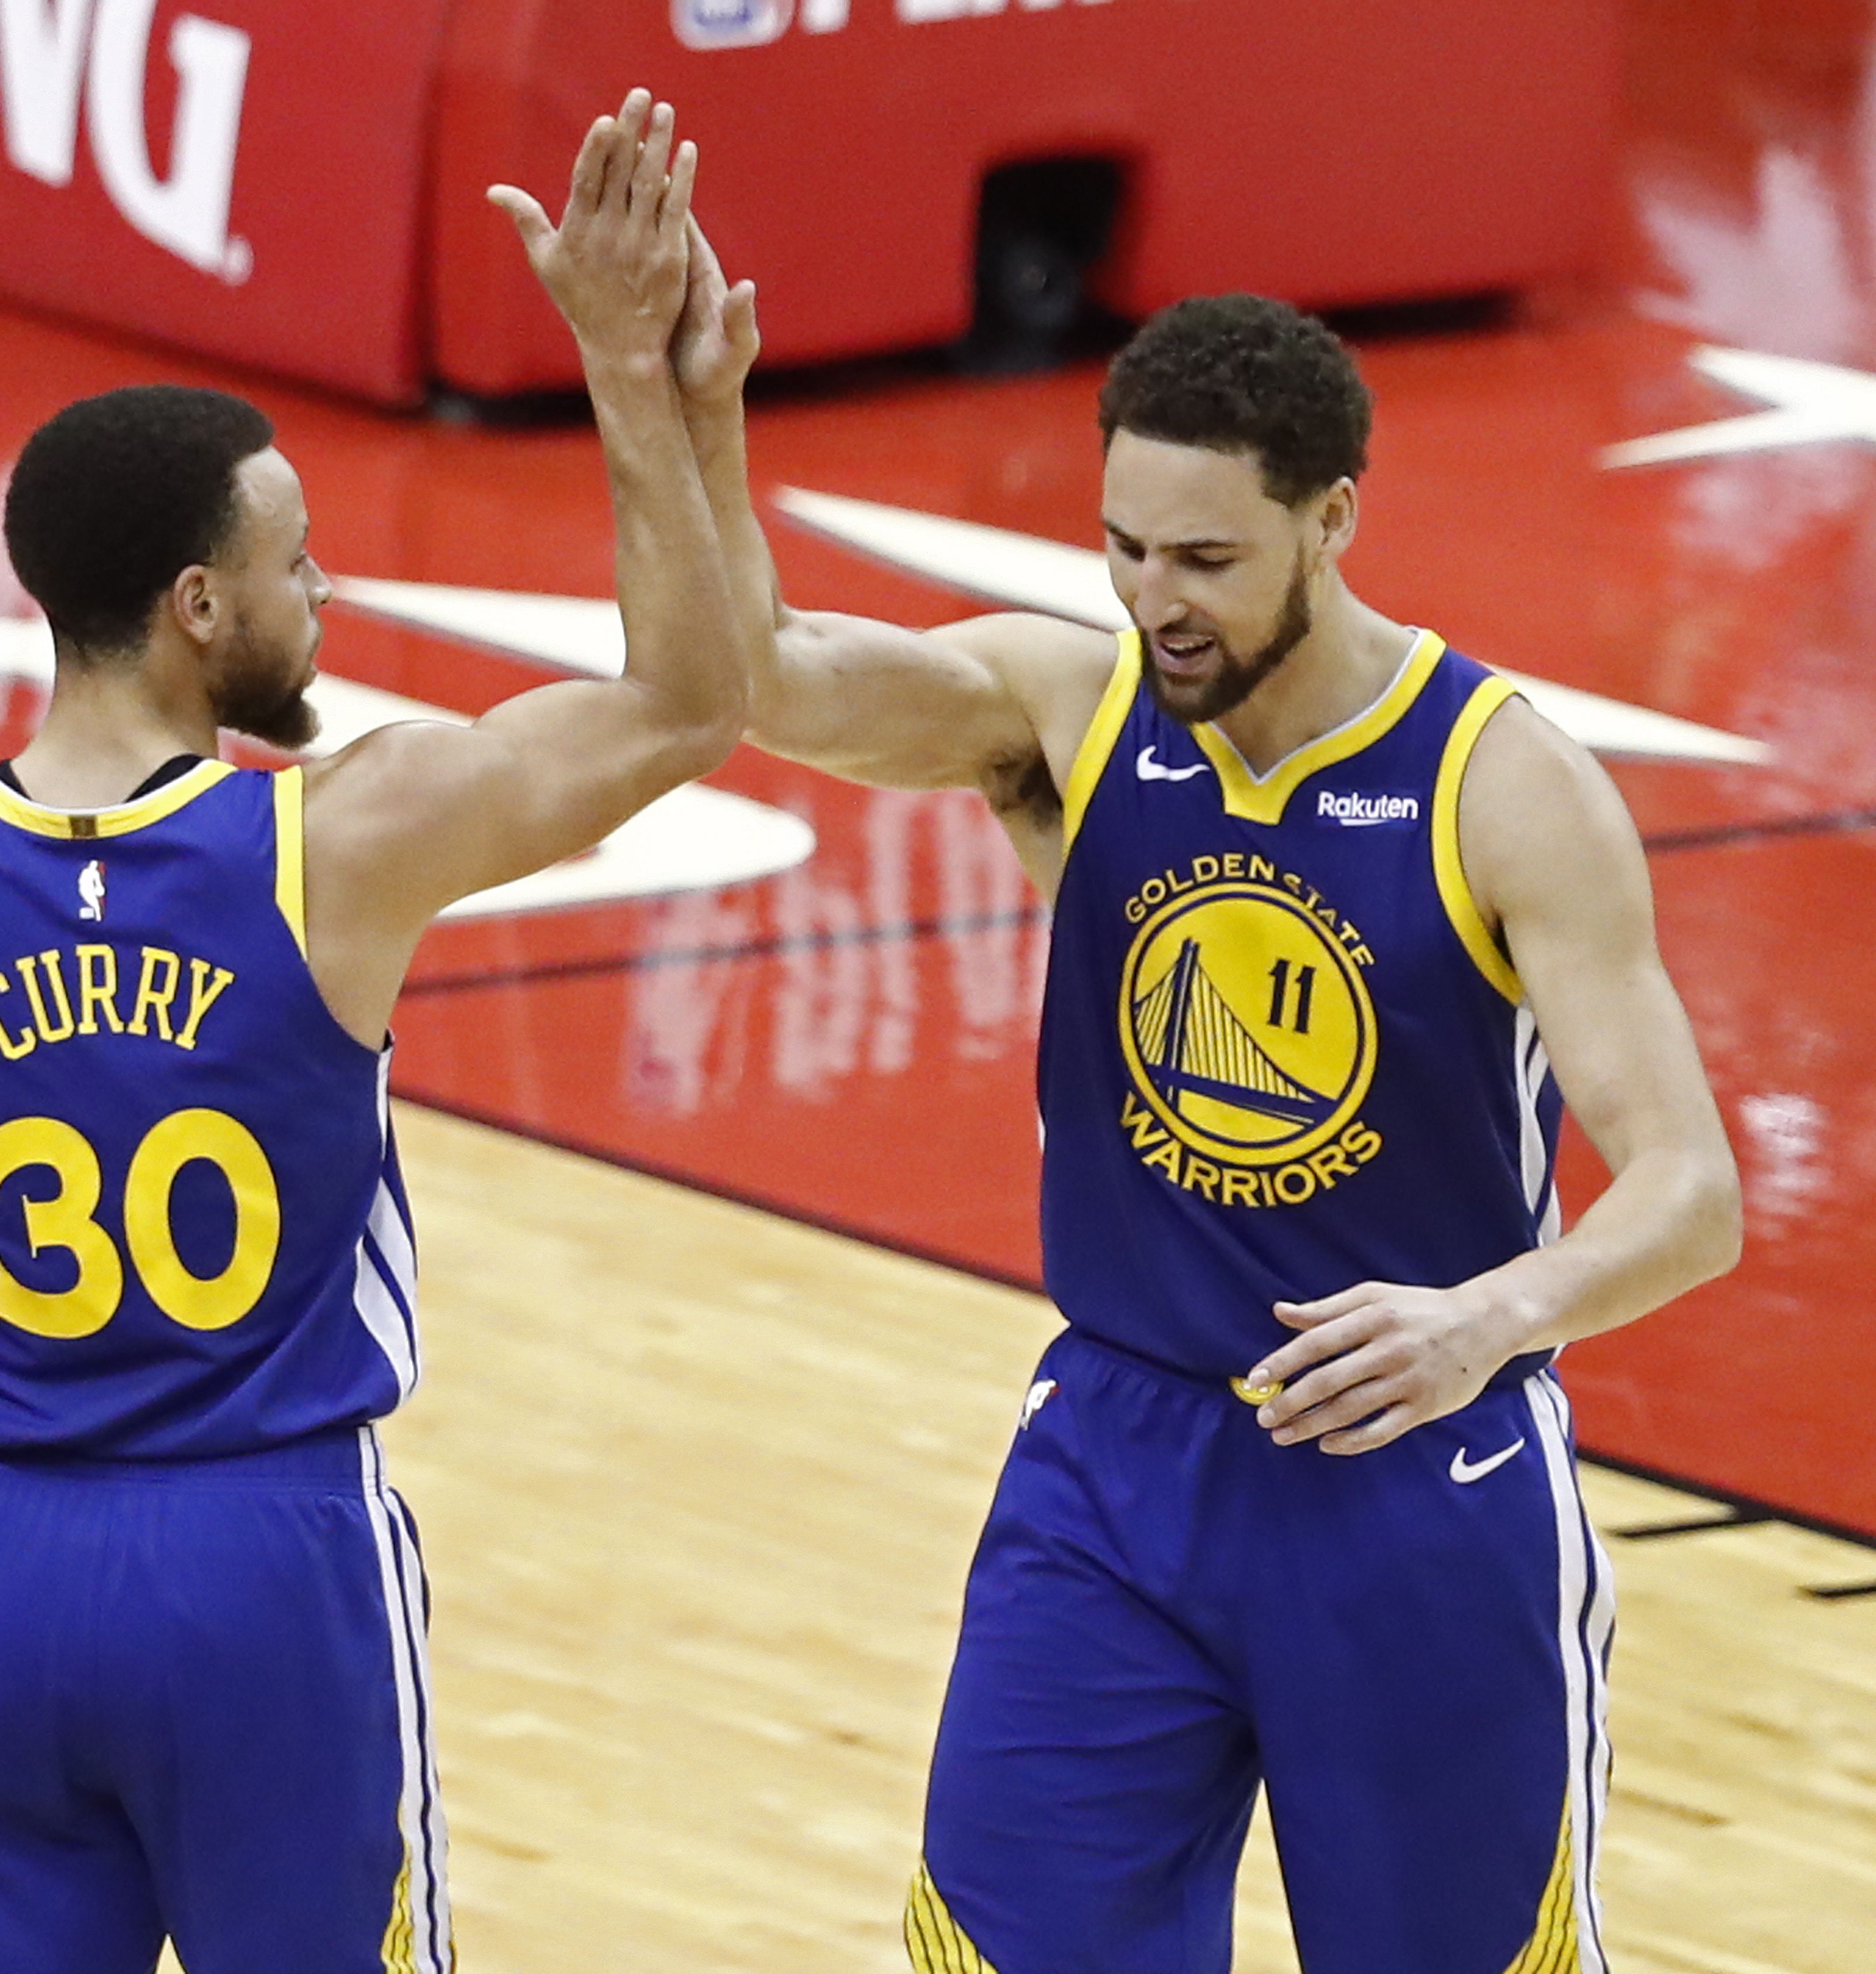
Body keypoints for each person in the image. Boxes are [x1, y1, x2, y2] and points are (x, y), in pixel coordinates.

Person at [0, 89, 742, 1974]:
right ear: (199, 607)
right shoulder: (341, 843)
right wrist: (638, 372)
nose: (327, 592)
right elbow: (690, 704)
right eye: (298, 565)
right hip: (270, 1556)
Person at [666, 254, 1742, 1973]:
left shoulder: (1506, 787)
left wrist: (1491, 1321)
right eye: (1128, 551)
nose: (1158, 601)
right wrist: (692, 416)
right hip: (1117, 1455)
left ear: (1334, 520)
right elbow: (765, 681)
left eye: (1210, 562)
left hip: (1413, 1484)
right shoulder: (1078, 715)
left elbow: (1691, 1190)